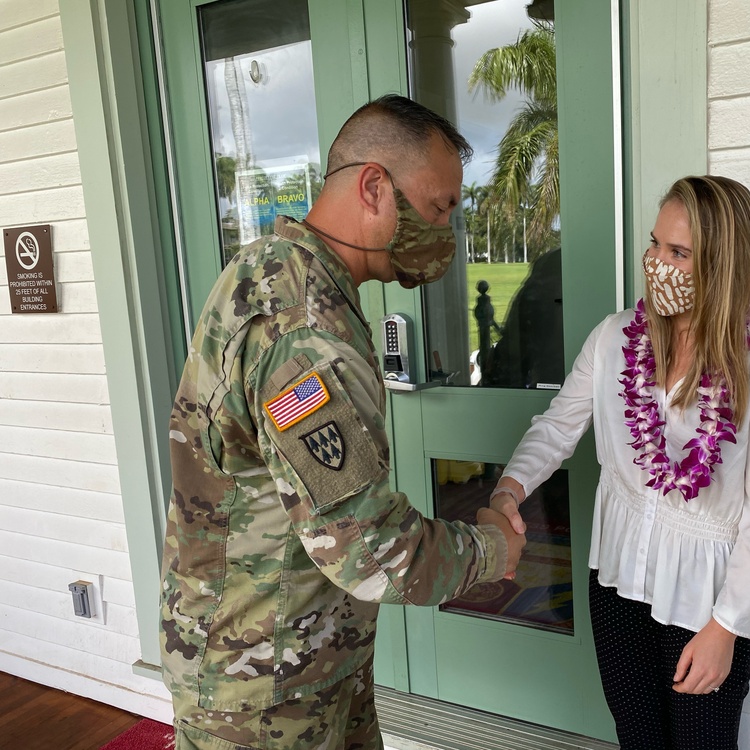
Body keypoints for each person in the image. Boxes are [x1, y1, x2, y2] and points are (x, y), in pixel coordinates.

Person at [160, 94, 525, 750]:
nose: (445, 230)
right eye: (440, 207)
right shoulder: (305, 331)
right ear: (375, 187)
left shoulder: (267, 267)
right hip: (266, 694)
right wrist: (493, 547)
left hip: (293, 655)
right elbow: (368, 550)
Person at [490, 175, 750, 749]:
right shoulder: (613, 340)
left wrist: (727, 627)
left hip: (706, 603)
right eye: (655, 244)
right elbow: (558, 426)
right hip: (615, 582)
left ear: (722, 266)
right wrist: (508, 489)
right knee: (638, 739)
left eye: (679, 253)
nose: (656, 262)